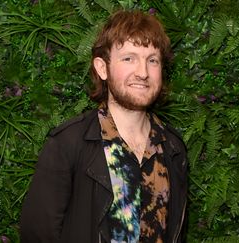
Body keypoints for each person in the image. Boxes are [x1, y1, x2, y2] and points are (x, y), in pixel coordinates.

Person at [19, 9, 188, 243]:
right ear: (102, 68)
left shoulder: (172, 148)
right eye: (129, 58)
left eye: (152, 60)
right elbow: (37, 235)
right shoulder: (69, 144)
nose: (143, 72)